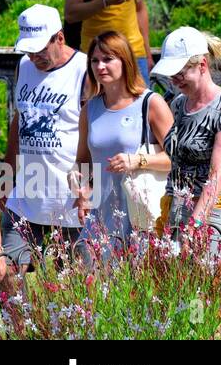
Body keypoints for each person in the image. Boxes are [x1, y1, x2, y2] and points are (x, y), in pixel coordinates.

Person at [0, 5, 90, 282]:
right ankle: (19, 327)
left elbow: (94, 133)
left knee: (73, 283)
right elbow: (19, 121)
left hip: (71, 197)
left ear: (59, 38)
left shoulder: (85, 69)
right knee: (8, 274)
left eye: (40, 49)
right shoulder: (25, 65)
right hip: (26, 194)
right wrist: (5, 177)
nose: (34, 56)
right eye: (28, 49)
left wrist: (88, 186)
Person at [151, 27, 221, 267]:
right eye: (171, 74)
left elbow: (217, 178)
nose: (173, 79)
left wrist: (194, 225)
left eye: (180, 72)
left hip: (213, 211)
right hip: (177, 205)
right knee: (171, 290)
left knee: (208, 295)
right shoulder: (179, 104)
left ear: (202, 65)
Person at [72, 31, 173, 242]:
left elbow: (177, 159)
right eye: (95, 60)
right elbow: (82, 162)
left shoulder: (150, 103)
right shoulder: (89, 109)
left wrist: (138, 161)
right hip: (101, 216)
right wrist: (79, 186)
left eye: (108, 59)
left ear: (125, 60)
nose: (100, 66)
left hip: (142, 215)